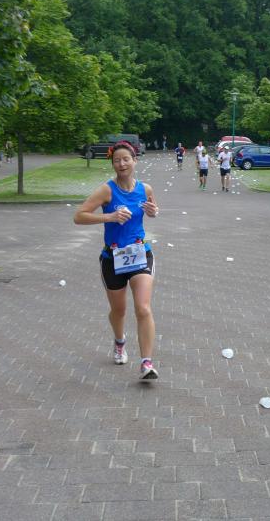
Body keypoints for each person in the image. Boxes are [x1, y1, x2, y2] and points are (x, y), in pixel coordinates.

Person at [73, 141, 160, 380]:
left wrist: (153, 212)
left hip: (140, 254)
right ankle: (120, 341)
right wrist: (110, 216)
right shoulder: (107, 191)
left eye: (126, 159)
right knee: (119, 310)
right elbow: (79, 216)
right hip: (113, 258)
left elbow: (153, 209)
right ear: (113, 164)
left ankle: (146, 363)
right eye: (117, 160)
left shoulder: (145, 188)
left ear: (135, 161)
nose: (121, 164)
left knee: (143, 307)